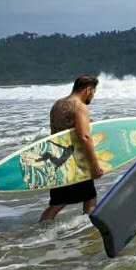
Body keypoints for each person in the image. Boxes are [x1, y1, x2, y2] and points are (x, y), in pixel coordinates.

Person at [39, 75, 104, 221]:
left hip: (58, 162)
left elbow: (56, 133)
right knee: (90, 199)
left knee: (57, 203)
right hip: (76, 163)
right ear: (88, 90)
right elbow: (84, 137)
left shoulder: (57, 105)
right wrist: (95, 166)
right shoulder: (80, 107)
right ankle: (89, 229)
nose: (93, 96)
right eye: (93, 92)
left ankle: (41, 229)